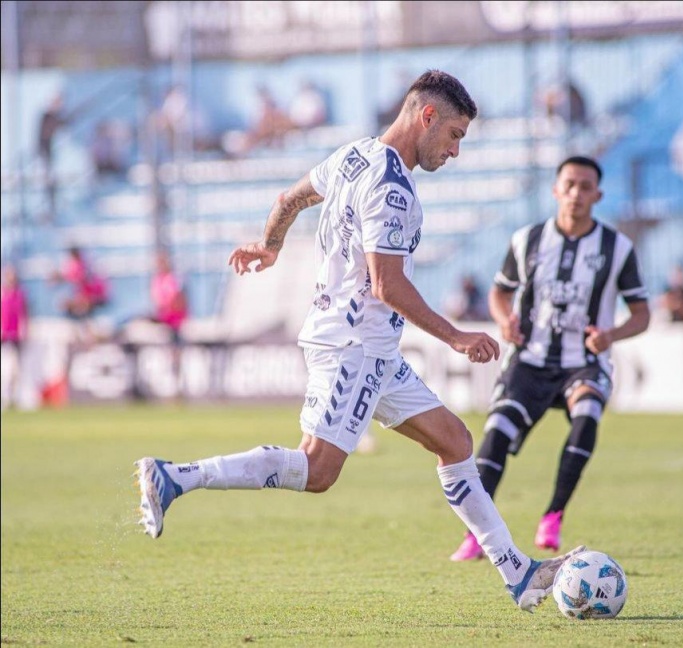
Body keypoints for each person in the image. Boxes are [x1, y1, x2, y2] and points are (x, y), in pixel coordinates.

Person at [133, 70, 585, 612]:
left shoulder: (354, 155)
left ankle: (518, 574)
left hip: (368, 346)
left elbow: (289, 198)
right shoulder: (394, 188)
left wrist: (270, 246)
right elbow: (386, 283)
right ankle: (175, 476)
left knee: (456, 443)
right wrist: (456, 336)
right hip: (355, 345)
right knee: (317, 470)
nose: (456, 151)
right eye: (455, 135)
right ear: (427, 117)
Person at [449, 156, 650, 561]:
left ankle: (553, 515)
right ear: (556, 190)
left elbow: (643, 313)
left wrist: (612, 334)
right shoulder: (528, 240)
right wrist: (505, 321)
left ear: (598, 195)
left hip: (583, 361)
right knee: (497, 432)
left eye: (585, 187)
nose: (576, 194)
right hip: (530, 359)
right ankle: (477, 535)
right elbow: (499, 293)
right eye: (569, 185)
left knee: (588, 413)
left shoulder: (617, 248)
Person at [49, 247, 109, 320]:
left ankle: (85, 322)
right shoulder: (81, 264)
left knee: (74, 306)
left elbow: (75, 277)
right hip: (92, 294)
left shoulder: (81, 266)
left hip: (93, 295)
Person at [1, 266, 28, 409]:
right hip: (4, 337)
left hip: (16, 336)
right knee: (6, 368)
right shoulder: (2, 294)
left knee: (16, 369)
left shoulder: (19, 295)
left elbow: (23, 314)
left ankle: (15, 397)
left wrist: (24, 330)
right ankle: (5, 397)